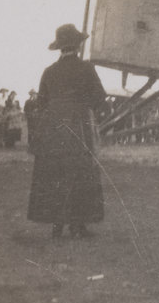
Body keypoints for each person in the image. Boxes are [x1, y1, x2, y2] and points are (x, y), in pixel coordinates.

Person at [28, 24, 108, 239]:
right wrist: (82, 106)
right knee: (81, 172)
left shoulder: (49, 71)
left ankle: (57, 225)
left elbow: (41, 102)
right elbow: (100, 97)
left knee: (54, 173)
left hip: (53, 128)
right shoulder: (86, 68)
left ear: (60, 48)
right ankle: (77, 225)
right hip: (78, 125)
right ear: (78, 45)